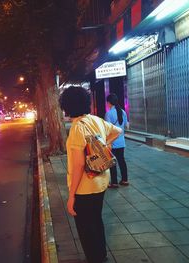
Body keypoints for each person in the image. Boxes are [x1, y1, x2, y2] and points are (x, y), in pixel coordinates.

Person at [59, 86, 121, 263]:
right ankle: (101, 256)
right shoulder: (96, 120)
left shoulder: (77, 128)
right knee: (96, 220)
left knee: (86, 228)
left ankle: (95, 258)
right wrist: (104, 145)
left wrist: (71, 196)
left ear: (67, 106)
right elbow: (118, 131)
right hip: (101, 181)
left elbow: (79, 165)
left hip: (85, 187)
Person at [105, 93, 129, 188]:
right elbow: (126, 126)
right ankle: (125, 180)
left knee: (112, 162)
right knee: (121, 160)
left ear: (109, 102)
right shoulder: (123, 112)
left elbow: (108, 130)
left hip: (112, 142)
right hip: (121, 141)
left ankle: (114, 182)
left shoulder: (109, 113)